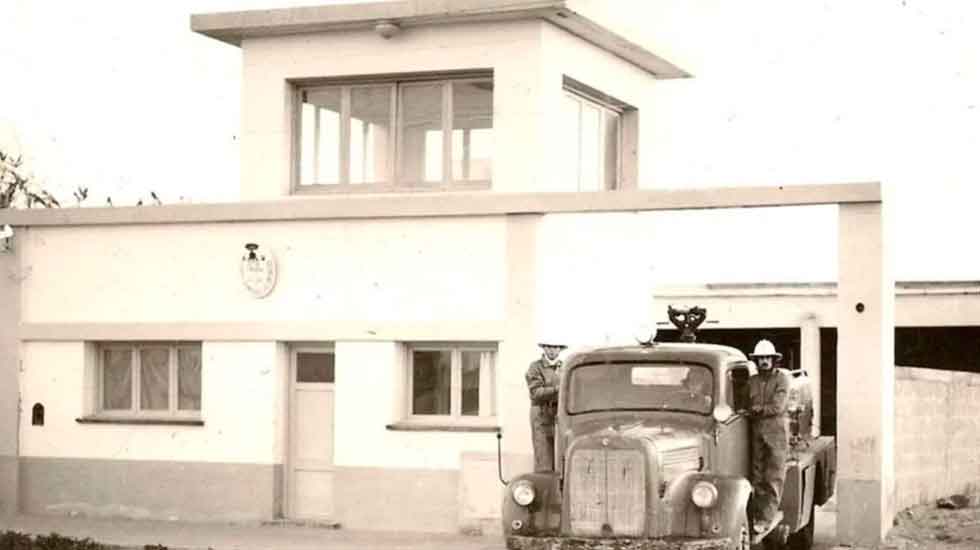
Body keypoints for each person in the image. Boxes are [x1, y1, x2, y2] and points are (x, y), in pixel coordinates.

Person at [747, 339, 791, 533]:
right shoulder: (752, 381)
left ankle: (766, 519)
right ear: (756, 361)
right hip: (757, 433)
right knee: (756, 476)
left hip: (775, 433)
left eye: (767, 358)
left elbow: (777, 406)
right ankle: (757, 516)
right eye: (761, 358)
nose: (764, 361)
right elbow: (742, 403)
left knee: (773, 477)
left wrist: (756, 409)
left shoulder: (781, 379)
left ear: (774, 360)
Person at [525, 336, 566, 472]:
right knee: (543, 457)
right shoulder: (535, 367)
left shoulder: (565, 367)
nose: (552, 351)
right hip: (541, 415)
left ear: (560, 349)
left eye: (555, 347)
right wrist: (557, 389)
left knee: (561, 456)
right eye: (549, 347)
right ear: (544, 348)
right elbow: (535, 392)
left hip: (559, 414)